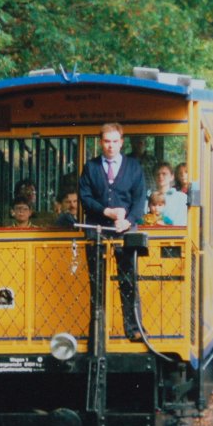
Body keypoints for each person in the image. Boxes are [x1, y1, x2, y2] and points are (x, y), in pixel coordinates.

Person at [79, 123, 147, 343]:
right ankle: (97, 331)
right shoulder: (90, 167)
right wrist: (105, 211)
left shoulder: (134, 167)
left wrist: (128, 221)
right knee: (97, 281)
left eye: (115, 141)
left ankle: (134, 328)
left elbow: (140, 199)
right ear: (101, 142)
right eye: (107, 141)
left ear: (121, 142)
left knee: (129, 279)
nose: (110, 146)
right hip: (97, 231)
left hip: (125, 231)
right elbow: (85, 197)